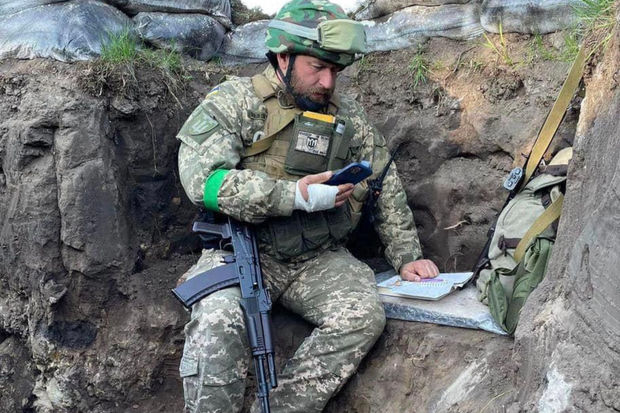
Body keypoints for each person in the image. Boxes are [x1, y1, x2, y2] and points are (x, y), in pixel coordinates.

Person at [175, 1, 439, 411]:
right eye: (317, 67)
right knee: (216, 321)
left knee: (362, 315)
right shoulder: (235, 102)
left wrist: (407, 256)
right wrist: (294, 196)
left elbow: (383, 180)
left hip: (317, 257)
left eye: (335, 71)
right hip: (244, 250)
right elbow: (203, 183)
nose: (328, 82)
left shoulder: (347, 117)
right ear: (283, 57)